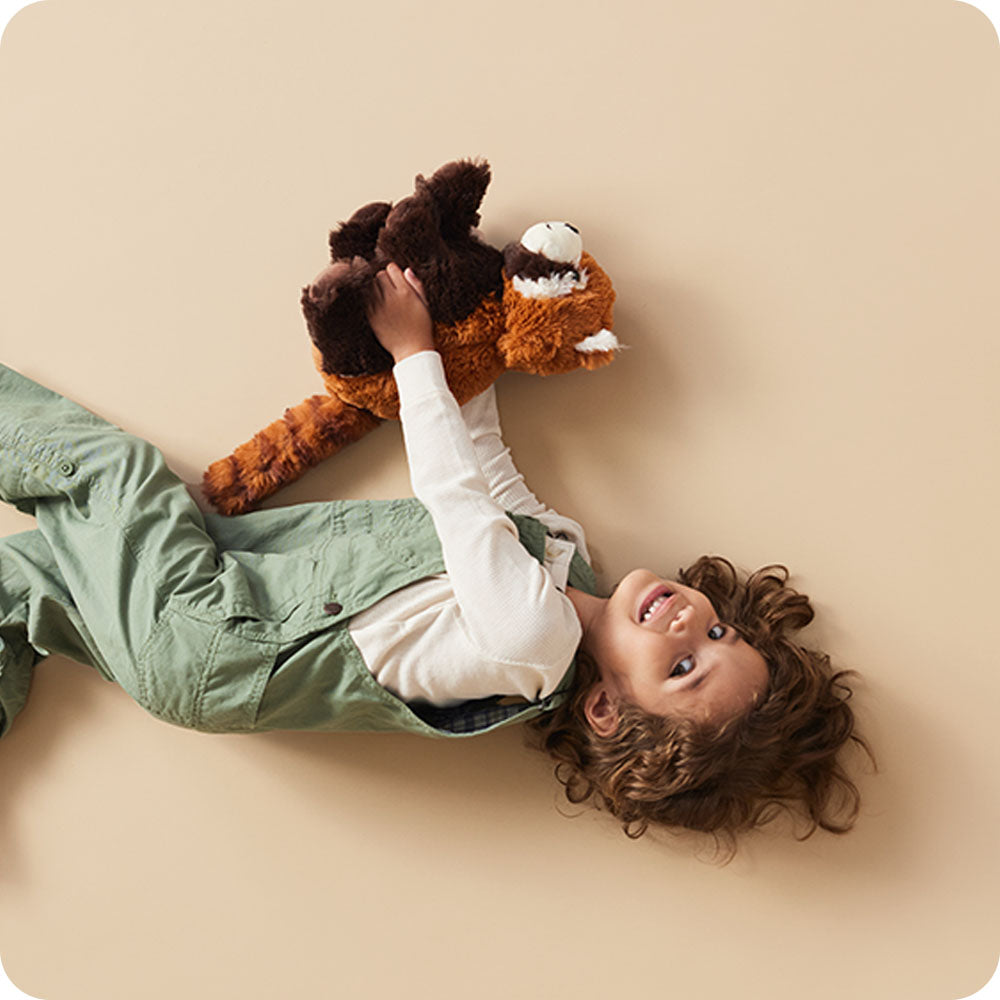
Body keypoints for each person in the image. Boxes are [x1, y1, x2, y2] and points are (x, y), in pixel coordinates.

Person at [0, 262, 871, 852]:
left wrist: (412, 349)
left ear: (606, 710)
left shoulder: (532, 642)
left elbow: (456, 501)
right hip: (225, 628)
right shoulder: (569, 569)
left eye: (682, 666)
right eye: (718, 630)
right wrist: (471, 339)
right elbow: (488, 470)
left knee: (106, 472)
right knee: (24, 583)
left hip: (213, 629)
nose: (690, 622)